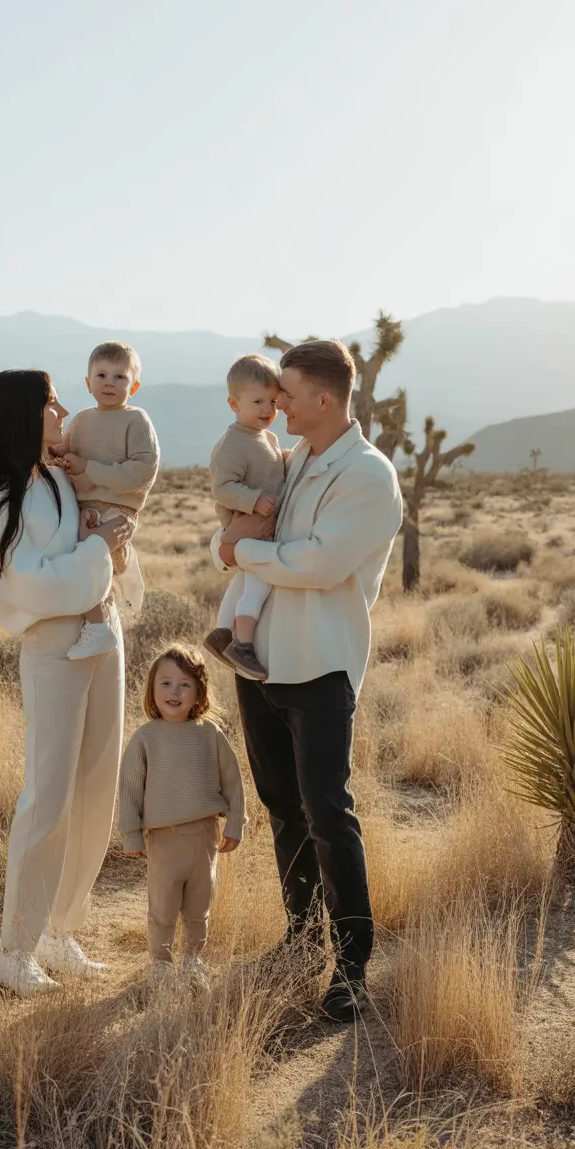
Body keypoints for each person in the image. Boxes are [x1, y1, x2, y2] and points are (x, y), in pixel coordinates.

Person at [212, 339, 403, 1022]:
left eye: (287, 391)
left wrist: (248, 551)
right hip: (259, 658)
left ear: (324, 399)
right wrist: (238, 546)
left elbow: (319, 565)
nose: (277, 401)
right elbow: (225, 532)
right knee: (281, 804)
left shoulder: (368, 478)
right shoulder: (289, 462)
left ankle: (352, 963)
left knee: (327, 809)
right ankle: (300, 938)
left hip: (321, 663)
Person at [0, 369, 131, 998]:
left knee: (97, 789)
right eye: (51, 401)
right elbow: (36, 584)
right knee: (47, 796)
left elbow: (79, 559)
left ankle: (61, 931)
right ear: (24, 413)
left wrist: (99, 547)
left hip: (103, 635)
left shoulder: (53, 478)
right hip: (54, 645)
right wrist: (98, 548)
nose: (62, 409)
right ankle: (14, 949)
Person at [118, 644, 246, 985]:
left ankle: (192, 960)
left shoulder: (210, 735)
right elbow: (129, 787)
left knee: (199, 906)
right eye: (166, 683)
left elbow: (233, 781)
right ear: (152, 689)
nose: (174, 692)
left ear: (199, 692)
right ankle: (161, 964)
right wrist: (131, 833)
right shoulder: (145, 738)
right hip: (164, 840)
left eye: (184, 684)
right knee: (162, 905)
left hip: (205, 836)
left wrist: (236, 822)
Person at [53, 340, 160, 660]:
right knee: (87, 566)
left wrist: (90, 469)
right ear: (88, 383)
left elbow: (143, 472)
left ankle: (100, 627)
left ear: (135, 385)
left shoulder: (136, 420)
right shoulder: (82, 420)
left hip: (118, 509)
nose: (109, 383)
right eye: (101, 375)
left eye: (120, 377)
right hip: (83, 507)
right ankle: (99, 622)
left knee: (95, 559)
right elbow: (59, 453)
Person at [204, 354, 286, 681]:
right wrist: (253, 501)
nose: (267, 410)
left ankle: (222, 632)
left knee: (243, 582)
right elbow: (222, 488)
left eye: (273, 402)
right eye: (257, 402)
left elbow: (272, 466)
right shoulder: (234, 444)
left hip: (254, 528)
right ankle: (244, 644)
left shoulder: (266, 437)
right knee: (259, 582)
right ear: (233, 404)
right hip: (248, 528)